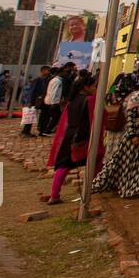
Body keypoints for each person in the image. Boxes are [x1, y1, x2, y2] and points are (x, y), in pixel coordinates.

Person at [92, 76, 139, 198]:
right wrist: (133, 134)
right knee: (128, 161)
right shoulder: (137, 99)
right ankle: (126, 189)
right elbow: (130, 119)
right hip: (136, 135)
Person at [44, 72, 99, 204]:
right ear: (86, 87)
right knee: (95, 161)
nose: (95, 89)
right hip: (84, 136)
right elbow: (96, 119)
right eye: (94, 86)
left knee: (64, 164)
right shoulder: (90, 100)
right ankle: (93, 188)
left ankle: (54, 195)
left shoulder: (72, 100)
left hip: (70, 135)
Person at [23, 66, 51, 137]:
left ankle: (37, 130)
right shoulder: (37, 80)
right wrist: (29, 101)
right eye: (47, 70)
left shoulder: (46, 80)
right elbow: (32, 91)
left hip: (41, 100)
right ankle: (26, 131)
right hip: (34, 100)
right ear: (43, 71)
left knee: (36, 115)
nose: (48, 72)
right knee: (30, 115)